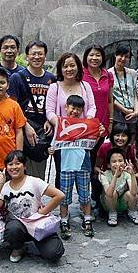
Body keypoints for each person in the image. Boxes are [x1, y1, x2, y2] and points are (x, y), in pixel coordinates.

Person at [0, 150, 65, 263]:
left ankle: (39, 241)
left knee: (55, 253)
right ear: (6, 167)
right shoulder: (5, 187)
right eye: (10, 164)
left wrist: (44, 211)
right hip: (18, 227)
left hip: (37, 225)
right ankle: (18, 248)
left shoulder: (34, 181)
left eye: (17, 163)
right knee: (12, 228)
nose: (14, 167)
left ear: (25, 166)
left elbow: (59, 195)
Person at [48, 95, 97, 239]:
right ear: (66, 107)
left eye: (78, 108)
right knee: (64, 196)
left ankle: (87, 219)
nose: (75, 111)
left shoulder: (86, 124)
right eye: (72, 107)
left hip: (83, 165)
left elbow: (93, 142)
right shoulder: (60, 124)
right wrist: (51, 150)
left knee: (85, 195)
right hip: (66, 167)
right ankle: (64, 220)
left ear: (83, 110)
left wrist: (98, 132)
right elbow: (53, 145)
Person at [46, 52, 97, 188]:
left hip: (82, 134)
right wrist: (61, 124)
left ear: (78, 67)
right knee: (62, 171)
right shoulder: (54, 87)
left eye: (72, 65)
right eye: (65, 66)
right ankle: (61, 203)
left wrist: (89, 119)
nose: (69, 69)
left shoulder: (85, 86)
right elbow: (49, 111)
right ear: (60, 69)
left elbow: (92, 107)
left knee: (83, 169)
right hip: (62, 136)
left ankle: (84, 200)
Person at [8, 40, 57, 179]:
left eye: (40, 54)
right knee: (19, 169)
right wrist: (26, 125)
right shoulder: (17, 78)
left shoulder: (51, 78)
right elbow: (13, 106)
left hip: (42, 131)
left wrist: (49, 120)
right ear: (27, 56)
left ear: (45, 56)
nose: (37, 57)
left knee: (37, 173)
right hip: (21, 130)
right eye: (33, 54)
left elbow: (53, 104)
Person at [99, 148, 138, 226]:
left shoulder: (127, 174)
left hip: (122, 202)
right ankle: (112, 214)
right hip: (108, 203)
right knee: (113, 193)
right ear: (109, 164)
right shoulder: (104, 175)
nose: (118, 164)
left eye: (120, 161)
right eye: (114, 161)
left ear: (125, 162)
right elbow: (109, 194)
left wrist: (132, 175)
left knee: (131, 194)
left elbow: (134, 192)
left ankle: (132, 211)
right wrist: (115, 176)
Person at [82, 44, 114, 137]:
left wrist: (111, 121)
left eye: (98, 55)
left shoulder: (108, 75)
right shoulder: (80, 74)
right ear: (86, 57)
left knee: (97, 150)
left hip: (103, 121)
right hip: (85, 120)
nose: (94, 58)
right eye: (91, 55)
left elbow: (110, 100)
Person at [107, 45, 138, 138]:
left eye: (127, 56)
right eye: (120, 55)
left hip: (133, 114)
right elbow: (110, 97)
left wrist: (136, 112)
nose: (123, 58)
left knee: (132, 141)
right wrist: (125, 110)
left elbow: (135, 93)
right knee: (118, 139)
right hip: (117, 114)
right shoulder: (108, 73)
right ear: (115, 56)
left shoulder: (133, 73)